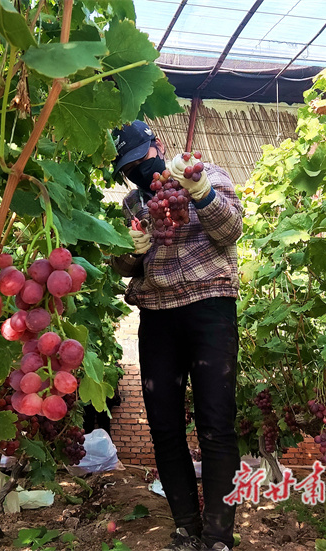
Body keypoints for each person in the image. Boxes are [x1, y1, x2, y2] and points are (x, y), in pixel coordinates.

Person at [109, 121, 242, 551]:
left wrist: (200, 192)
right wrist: (131, 251)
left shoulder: (209, 174)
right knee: (164, 427)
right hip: (158, 314)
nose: (137, 172)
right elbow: (124, 266)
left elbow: (231, 231)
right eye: (128, 168)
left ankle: (218, 537)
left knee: (216, 424)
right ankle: (186, 527)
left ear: (159, 146)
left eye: (141, 160)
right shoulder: (134, 202)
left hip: (210, 307)